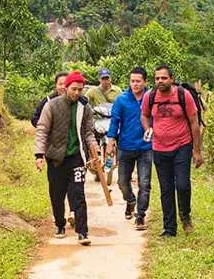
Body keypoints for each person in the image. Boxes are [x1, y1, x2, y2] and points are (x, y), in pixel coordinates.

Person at [35, 70, 100, 246]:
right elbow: (42, 130)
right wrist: (39, 154)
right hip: (55, 158)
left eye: (80, 89)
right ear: (66, 88)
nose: (77, 93)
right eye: (74, 89)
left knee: (78, 194)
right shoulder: (52, 105)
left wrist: (94, 149)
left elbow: (88, 133)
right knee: (57, 194)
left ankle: (82, 231)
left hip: (76, 158)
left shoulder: (84, 108)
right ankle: (60, 224)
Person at [141, 65, 203, 238]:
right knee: (166, 189)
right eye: (157, 78)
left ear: (172, 79)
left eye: (164, 78)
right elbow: (144, 115)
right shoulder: (150, 96)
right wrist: (147, 128)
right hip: (159, 148)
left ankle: (185, 215)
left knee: (182, 184)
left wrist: (197, 151)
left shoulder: (184, 95)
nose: (160, 81)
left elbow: (194, 123)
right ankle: (169, 229)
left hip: (182, 146)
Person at [106, 66, 152, 230]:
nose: (135, 84)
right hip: (125, 147)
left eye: (138, 81)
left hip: (146, 147)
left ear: (145, 82)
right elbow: (115, 122)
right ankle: (130, 200)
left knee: (145, 183)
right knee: (122, 182)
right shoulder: (121, 99)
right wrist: (110, 141)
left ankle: (140, 216)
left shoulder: (151, 98)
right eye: (132, 81)